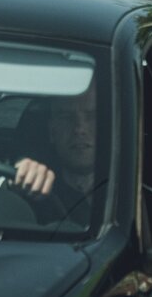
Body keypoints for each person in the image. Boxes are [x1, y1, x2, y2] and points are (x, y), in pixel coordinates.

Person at [12, 87, 98, 221]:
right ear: (52, 131)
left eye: (92, 116)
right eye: (66, 117)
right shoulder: (34, 191)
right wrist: (18, 179)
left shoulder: (131, 185)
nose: (79, 128)